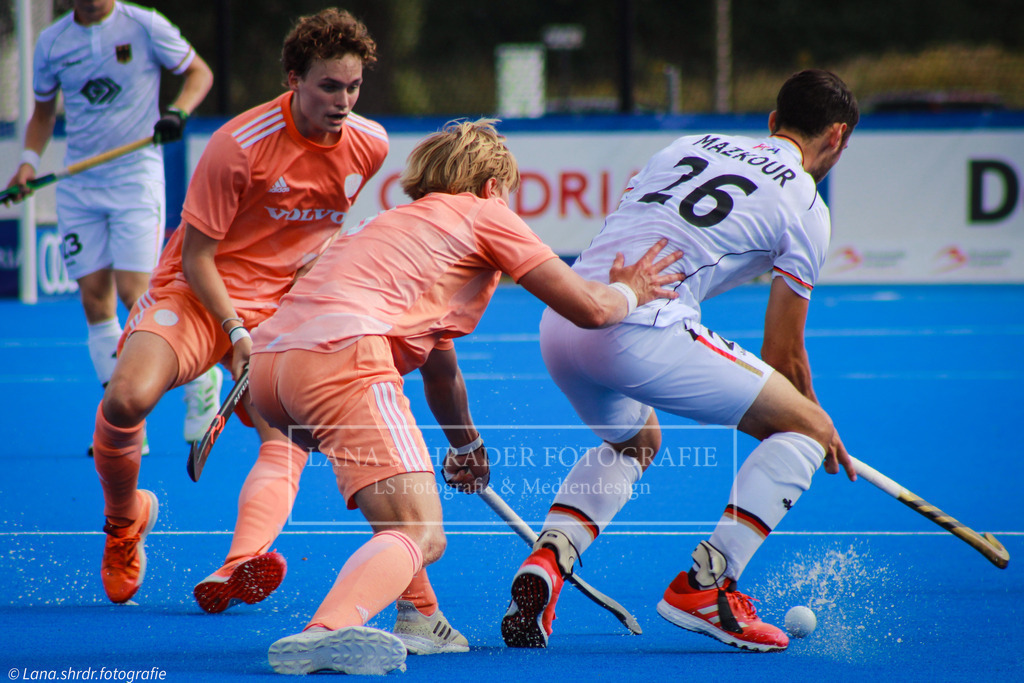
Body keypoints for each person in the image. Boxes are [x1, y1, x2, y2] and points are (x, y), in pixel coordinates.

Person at [241, 118, 683, 675]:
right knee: (419, 531)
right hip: (340, 359)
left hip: (270, 373)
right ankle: (324, 631)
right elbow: (590, 309)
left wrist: (466, 445)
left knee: (394, 498)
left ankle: (420, 616)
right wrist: (630, 289)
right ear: (491, 185)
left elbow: (440, 369)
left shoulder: (394, 225)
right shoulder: (484, 212)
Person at [501, 69, 861, 653]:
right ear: (838, 136)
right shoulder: (806, 205)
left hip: (565, 318)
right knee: (804, 431)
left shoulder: (688, 145)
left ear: (773, 121)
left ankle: (549, 559)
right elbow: (783, 354)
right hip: (638, 332)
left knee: (636, 443)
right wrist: (817, 427)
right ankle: (706, 586)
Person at [88, 7, 393, 615]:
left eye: (353, 87)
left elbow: (324, 226)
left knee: (287, 434)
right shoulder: (238, 146)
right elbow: (197, 256)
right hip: (197, 295)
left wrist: (301, 290)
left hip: (277, 309)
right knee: (125, 400)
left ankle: (240, 561)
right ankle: (125, 522)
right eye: (329, 87)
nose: (343, 102)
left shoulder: (370, 145)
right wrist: (234, 329)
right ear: (293, 79)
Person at [3, 0, 219, 452]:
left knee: (136, 294)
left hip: (135, 177)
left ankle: (202, 379)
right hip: (79, 183)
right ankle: (124, 424)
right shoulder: (52, 42)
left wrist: (177, 112)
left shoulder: (144, 24)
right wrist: (27, 163)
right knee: (94, 299)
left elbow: (199, 72)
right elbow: (43, 114)